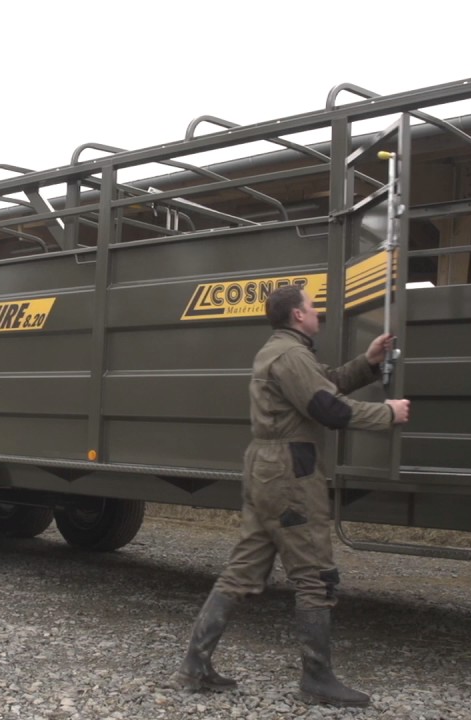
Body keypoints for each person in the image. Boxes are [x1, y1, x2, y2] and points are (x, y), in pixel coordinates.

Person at [170, 284, 411, 707]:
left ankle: (194, 666)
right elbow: (328, 409)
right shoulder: (290, 355)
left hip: (267, 467)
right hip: (288, 473)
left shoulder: (286, 351)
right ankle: (316, 678)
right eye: (313, 306)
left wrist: (368, 363)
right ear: (297, 315)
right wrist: (387, 413)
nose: (318, 312)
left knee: (243, 570)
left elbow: (325, 385)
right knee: (315, 575)